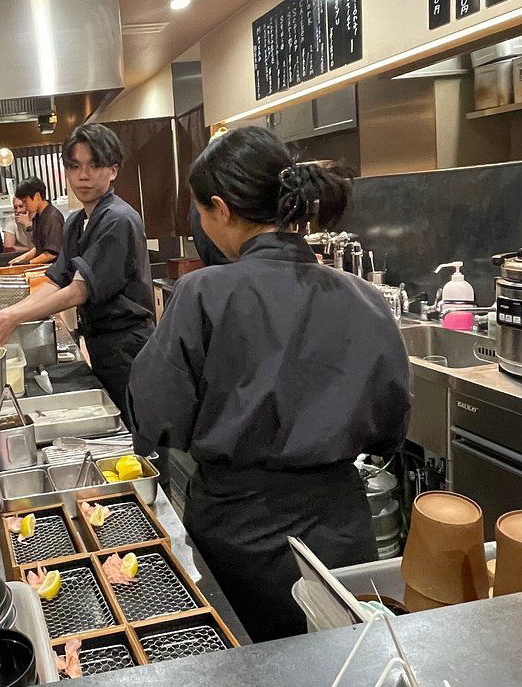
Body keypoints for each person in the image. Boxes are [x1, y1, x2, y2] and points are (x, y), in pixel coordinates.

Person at [126, 127, 410, 642]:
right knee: (343, 677)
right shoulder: (366, 298)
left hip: (240, 539)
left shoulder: (202, 294)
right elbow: (390, 426)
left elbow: (156, 415)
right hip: (342, 532)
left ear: (221, 209)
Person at [0, 124, 154, 414]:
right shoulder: (76, 221)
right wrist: (8, 313)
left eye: (94, 165)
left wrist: (14, 316)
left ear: (113, 170)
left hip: (127, 346)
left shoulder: (118, 220)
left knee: (134, 429)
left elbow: (78, 291)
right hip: (99, 341)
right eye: (75, 166)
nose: (83, 175)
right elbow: (56, 280)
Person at [9, 177, 64, 266]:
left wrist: (27, 264)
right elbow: (39, 248)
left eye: (25, 201)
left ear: (37, 196)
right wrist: (20, 259)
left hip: (55, 271)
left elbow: (52, 253)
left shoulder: (52, 216)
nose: (24, 205)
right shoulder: (38, 216)